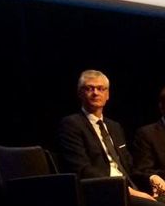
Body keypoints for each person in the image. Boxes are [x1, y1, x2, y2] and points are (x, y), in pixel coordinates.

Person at [57, 70, 159, 204]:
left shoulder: (115, 127)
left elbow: (129, 166)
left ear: (107, 94)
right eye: (89, 88)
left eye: (100, 89)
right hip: (103, 192)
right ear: (80, 93)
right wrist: (124, 189)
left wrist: (152, 177)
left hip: (130, 188)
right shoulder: (71, 124)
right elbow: (82, 169)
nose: (95, 93)